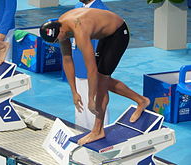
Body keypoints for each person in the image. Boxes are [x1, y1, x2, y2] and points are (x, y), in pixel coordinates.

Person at [40, 8, 150, 145]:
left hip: (118, 33)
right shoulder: (60, 26)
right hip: (105, 34)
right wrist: (74, 91)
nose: (58, 42)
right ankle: (141, 100)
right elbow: (67, 59)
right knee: (103, 80)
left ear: (61, 31)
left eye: (57, 40)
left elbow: (91, 69)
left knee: (101, 81)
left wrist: (91, 98)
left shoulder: (79, 30)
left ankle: (98, 130)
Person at [72, 0, 109, 130]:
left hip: (93, 69)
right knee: (80, 110)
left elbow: (101, 48)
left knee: (95, 106)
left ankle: (100, 135)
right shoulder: (78, 7)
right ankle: (81, 133)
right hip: (78, 64)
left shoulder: (101, 13)